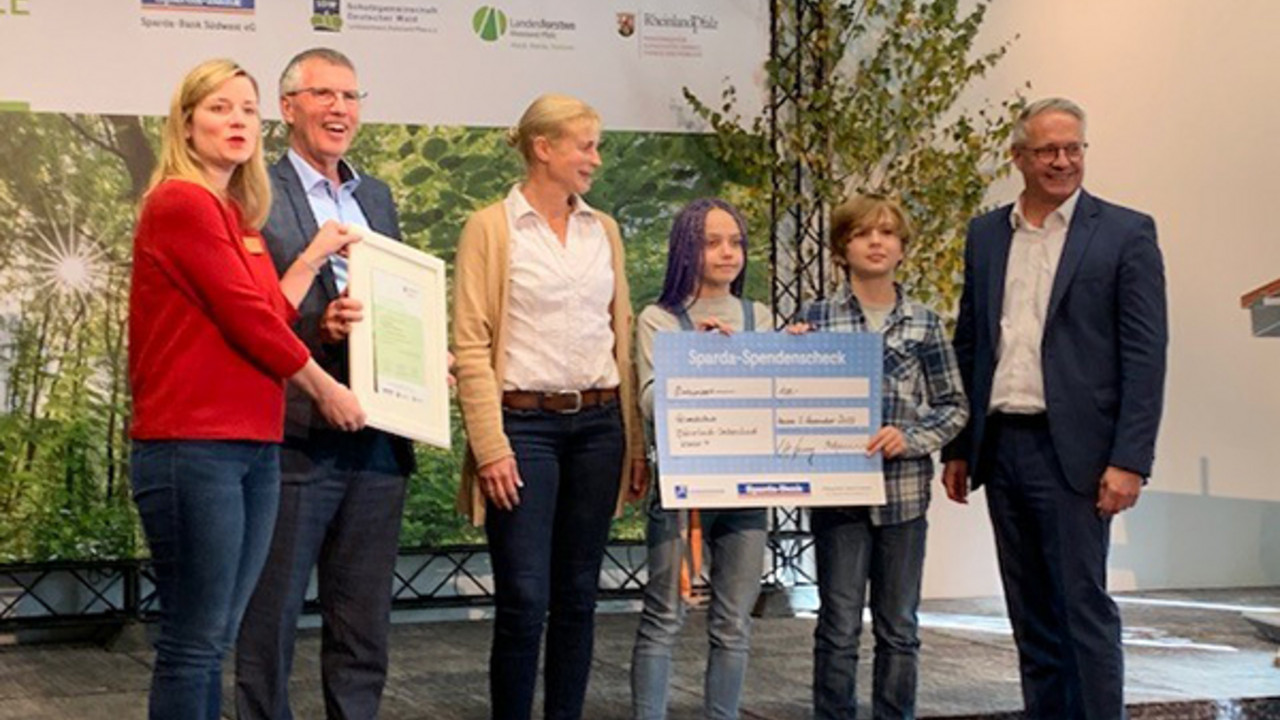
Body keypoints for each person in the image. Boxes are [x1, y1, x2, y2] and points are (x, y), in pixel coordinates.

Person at [128, 58, 364, 720]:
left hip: (253, 443)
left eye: (245, 109)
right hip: (192, 446)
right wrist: (325, 389)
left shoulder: (235, 216)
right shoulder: (179, 202)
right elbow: (250, 321)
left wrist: (315, 256)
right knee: (195, 643)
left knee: (215, 638)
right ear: (186, 123)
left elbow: (271, 309)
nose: (236, 121)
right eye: (218, 108)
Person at [941, 98, 1168, 720]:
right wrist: (958, 445)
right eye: (1047, 150)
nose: (1062, 161)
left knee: (1083, 611)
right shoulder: (986, 233)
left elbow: (1146, 357)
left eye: (1073, 148)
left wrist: (1130, 459)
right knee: (1031, 614)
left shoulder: (1126, 232)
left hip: (1079, 455)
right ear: (1019, 157)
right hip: (1003, 446)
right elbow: (971, 340)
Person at [234, 47, 418, 720]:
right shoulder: (254, 192)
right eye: (323, 95)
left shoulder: (377, 196)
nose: (340, 109)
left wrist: (423, 356)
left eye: (350, 96)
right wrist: (321, 330)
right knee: (271, 619)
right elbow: (250, 311)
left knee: (363, 626)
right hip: (293, 436)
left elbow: (396, 304)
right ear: (288, 109)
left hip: (378, 436)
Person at [452, 93, 646, 720]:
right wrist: (490, 444)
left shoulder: (604, 229)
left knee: (579, 597)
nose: (596, 157)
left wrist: (634, 443)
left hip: (599, 428)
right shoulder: (491, 227)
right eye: (585, 144)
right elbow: (471, 343)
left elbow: (623, 337)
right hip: (523, 428)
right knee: (524, 599)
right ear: (544, 148)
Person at [793, 195, 968, 719]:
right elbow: (789, 400)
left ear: (901, 248)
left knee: (899, 629)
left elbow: (955, 406)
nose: (876, 242)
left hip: (904, 500)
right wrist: (788, 351)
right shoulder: (815, 318)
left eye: (888, 233)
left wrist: (909, 437)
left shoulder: (925, 322)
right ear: (841, 248)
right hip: (838, 497)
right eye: (863, 233)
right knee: (838, 625)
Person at [629, 198, 771, 720]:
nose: (727, 252)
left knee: (734, 623)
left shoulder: (761, 317)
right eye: (713, 242)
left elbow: (772, 399)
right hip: (683, 488)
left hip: (749, 488)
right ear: (687, 248)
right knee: (664, 615)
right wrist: (697, 360)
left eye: (734, 241)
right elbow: (648, 402)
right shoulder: (659, 319)